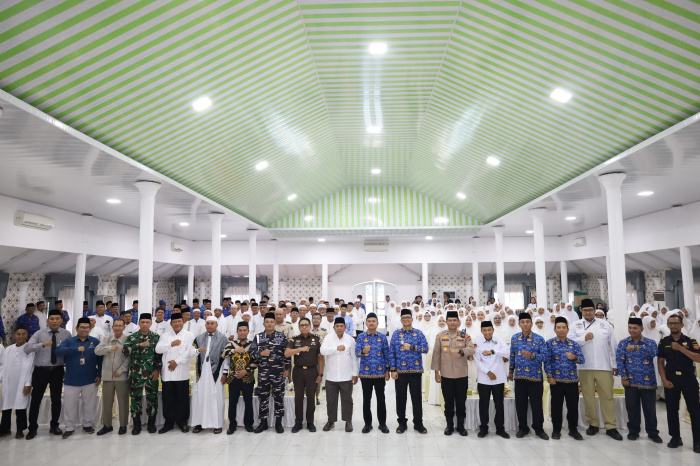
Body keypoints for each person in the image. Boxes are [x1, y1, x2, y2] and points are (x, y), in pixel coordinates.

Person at [568, 298, 622, 440]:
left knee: (607, 397)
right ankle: (593, 424)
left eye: (591, 310)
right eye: (585, 310)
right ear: (581, 311)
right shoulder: (575, 325)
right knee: (588, 398)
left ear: (595, 310)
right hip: (584, 367)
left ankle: (611, 426)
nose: (588, 313)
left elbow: (613, 346)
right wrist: (583, 339)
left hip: (604, 367)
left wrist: (615, 365)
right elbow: (570, 343)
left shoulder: (605, 325)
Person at [24, 309, 72, 440]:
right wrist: (42, 345)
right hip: (41, 371)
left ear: (61, 320)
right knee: (36, 400)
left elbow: (70, 351)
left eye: (57, 319)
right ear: (47, 321)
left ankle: (54, 425)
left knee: (56, 400)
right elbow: (27, 348)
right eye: (52, 319)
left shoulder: (67, 334)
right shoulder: (39, 333)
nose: (54, 321)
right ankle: (32, 428)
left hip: (58, 370)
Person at [658, 314, 700, 452]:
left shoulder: (691, 341)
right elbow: (660, 362)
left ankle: (697, 441)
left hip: (688, 379)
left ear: (682, 325)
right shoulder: (664, 341)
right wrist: (664, 379)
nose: (673, 326)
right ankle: (675, 437)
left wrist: (681, 348)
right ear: (668, 325)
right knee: (671, 410)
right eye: (671, 323)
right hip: (671, 378)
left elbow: (698, 358)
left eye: (676, 323)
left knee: (694, 410)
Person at [55, 317, 103, 438]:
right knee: (69, 405)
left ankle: (87, 424)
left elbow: (101, 359)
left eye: (86, 328)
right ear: (77, 328)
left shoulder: (95, 342)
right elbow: (58, 350)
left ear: (90, 329)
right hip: (72, 379)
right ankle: (69, 427)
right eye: (81, 327)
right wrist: (76, 349)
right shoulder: (69, 341)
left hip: (90, 379)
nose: (84, 330)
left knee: (89, 403)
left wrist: (99, 374)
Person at [616, 317, 661, 443]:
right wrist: (624, 377)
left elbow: (654, 352)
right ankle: (633, 431)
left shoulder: (650, 342)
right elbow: (620, 361)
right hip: (630, 382)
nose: (632, 330)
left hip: (648, 382)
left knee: (650, 410)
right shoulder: (623, 343)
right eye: (630, 328)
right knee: (632, 409)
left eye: (635, 328)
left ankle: (653, 432)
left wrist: (637, 348)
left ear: (642, 328)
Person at [430, 310, 473, 436]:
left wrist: (460, 351)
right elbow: (436, 355)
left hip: (461, 375)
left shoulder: (465, 335)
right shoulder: (440, 336)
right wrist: (436, 373)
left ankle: (460, 426)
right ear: (446, 322)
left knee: (461, 401)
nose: (452, 322)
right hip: (446, 375)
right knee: (448, 402)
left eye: (455, 320)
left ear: (458, 322)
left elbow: (471, 349)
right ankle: (449, 425)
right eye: (450, 320)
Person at [545, 316, 585, 440]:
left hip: (572, 380)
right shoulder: (549, 343)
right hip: (556, 381)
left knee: (573, 406)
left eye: (563, 327)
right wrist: (549, 376)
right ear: (555, 329)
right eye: (558, 327)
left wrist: (574, 357)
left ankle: (573, 430)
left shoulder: (574, 344)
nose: (561, 330)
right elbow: (547, 361)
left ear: (567, 329)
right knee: (556, 407)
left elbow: (582, 360)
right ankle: (556, 430)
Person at [390, 308, 429, 434]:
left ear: (412, 319)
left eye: (408, 317)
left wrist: (412, 347)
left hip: (415, 371)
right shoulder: (396, 334)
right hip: (400, 372)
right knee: (401, 398)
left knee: (416, 398)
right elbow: (392, 352)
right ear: (401, 320)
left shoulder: (418, 333)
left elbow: (425, 348)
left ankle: (418, 423)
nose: (406, 320)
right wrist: (393, 370)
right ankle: (402, 423)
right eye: (403, 318)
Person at [509, 313, 548, 440]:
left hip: (535, 377)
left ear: (531, 323)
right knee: (520, 404)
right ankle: (523, 428)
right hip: (519, 377)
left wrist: (532, 355)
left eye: (527, 322)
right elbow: (512, 355)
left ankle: (538, 428)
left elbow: (545, 357)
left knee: (537, 404)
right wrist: (511, 371)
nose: (525, 324)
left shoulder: (539, 339)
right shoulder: (515, 338)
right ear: (519, 324)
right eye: (523, 322)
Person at [155, 313, 195, 433]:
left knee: (182, 398)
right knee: (168, 398)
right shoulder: (165, 335)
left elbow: (188, 352)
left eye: (179, 321)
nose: (177, 324)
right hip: (167, 373)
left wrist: (176, 362)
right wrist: (171, 344)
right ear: (171, 323)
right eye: (175, 322)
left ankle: (182, 422)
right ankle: (169, 423)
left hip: (182, 372)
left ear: (183, 322)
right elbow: (158, 349)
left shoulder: (189, 335)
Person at [123, 313, 162, 435]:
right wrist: (139, 345)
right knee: (135, 398)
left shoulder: (156, 337)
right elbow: (125, 351)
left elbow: (159, 356)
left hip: (151, 373)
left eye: (147, 322)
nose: (145, 324)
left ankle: (151, 423)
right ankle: (136, 424)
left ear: (151, 323)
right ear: (139, 323)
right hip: (136, 373)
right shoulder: (132, 337)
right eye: (142, 322)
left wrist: (157, 370)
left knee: (152, 398)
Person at [253, 312, 290, 434]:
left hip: (278, 373)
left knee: (279, 397)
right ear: (264, 324)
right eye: (267, 322)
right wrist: (260, 353)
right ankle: (263, 422)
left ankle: (278, 423)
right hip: (263, 373)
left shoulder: (281, 336)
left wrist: (287, 369)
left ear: (275, 324)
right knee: (262, 397)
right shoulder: (258, 337)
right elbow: (251, 353)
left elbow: (287, 354)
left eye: (271, 322)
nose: (269, 324)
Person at [320, 317, 359, 432]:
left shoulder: (350, 340)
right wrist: (336, 348)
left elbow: (354, 358)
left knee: (347, 400)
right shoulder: (328, 338)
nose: (339, 328)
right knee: (331, 401)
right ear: (334, 327)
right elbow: (322, 350)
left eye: (341, 326)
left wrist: (355, 373)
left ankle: (348, 421)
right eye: (337, 326)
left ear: (345, 327)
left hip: (346, 376)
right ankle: (331, 421)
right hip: (331, 376)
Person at [286, 317, 323, 433]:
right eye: (302, 325)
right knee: (298, 397)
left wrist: (320, 374)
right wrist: (300, 349)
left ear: (310, 326)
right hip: (298, 371)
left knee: (311, 397)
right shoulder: (294, 340)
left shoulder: (317, 339)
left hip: (312, 371)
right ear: (299, 327)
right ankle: (298, 422)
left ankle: (310, 422)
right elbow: (287, 353)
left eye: (306, 325)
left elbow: (321, 358)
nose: (304, 327)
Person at [191, 317, 228, 434]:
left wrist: (225, 373)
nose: (210, 325)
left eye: (212, 323)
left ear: (216, 325)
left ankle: (217, 424)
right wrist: (198, 351)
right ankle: (199, 423)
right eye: (208, 323)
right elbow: (190, 352)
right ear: (205, 325)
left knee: (216, 397)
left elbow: (226, 358)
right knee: (200, 396)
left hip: (217, 372)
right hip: (201, 372)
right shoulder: (199, 338)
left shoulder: (223, 338)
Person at [473, 320, 509, 438]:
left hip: (498, 378)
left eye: (489, 330)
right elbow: (477, 361)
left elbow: (507, 352)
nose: (487, 332)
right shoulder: (477, 343)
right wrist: (488, 372)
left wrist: (493, 351)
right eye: (484, 330)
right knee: (483, 404)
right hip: (484, 378)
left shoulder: (499, 341)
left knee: (499, 404)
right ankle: (483, 428)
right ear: (481, 331)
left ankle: (500, 428)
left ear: (493, 330)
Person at [356, 313, 390, 434]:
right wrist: (363, 351)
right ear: (366, 323)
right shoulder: (361, 337)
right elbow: (356, 353)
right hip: (365, 373)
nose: (371, 323)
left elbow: (387, 354)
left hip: (380, 373)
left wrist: (387, 371)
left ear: (377, 323)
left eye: (373, 321)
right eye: (369, 321)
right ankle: (367, 424)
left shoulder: (382, 337)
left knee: (381, 399)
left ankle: (382, 424)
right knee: (366, 399)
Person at [95, 318, 130, 436]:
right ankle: (107, 425)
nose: (117, 328)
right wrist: (110, 348)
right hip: (107, 376)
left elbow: (129, 358)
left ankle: (123, 425)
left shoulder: (127, 340)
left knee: (123, 402)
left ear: (124, 327)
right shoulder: (106, 339)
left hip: (121, 376)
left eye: (120, 326)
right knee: (107, 402)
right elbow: (97, 351)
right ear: (112, 327)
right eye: (116, 326)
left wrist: (120, 370)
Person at [222, 321, 258, 434]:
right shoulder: (231, 344)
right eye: (240, 330)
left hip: (248, 378)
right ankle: (232, 425)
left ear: (248, 331)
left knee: (248, 402)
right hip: (233, 378)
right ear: (237, 331)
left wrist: (246, 371)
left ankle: (249, 424)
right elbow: (223, 354)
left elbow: (257, 361)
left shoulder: (252, 344)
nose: (242, 332)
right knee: (232, 402)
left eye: (244, 330)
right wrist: (235, 350)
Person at [0, 325, 34, 438]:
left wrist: (28, 384)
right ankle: (5, 429)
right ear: (14, 335)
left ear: (27, 335)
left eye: (23, 334)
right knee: (6, 406)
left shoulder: (30, 350)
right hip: (8, 382)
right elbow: (3, 365)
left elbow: (31, 368)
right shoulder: (8, 349)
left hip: (22, 382)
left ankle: (20, 429)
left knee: (20, 406)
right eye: (18, 334)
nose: (21, 336)